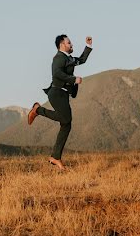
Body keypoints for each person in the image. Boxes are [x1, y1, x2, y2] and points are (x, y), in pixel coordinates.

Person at [26, 34, 93, 170]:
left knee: (66, 124)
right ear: (62, 45)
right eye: (69, 43)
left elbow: (82, 60)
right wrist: (73, 79)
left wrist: (88, 46)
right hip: (56, 93)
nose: (72, 45)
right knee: (66, 118)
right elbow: (56, 73)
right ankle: (37, 110)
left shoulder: (69, 58)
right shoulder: (58, 58)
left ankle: (55, 157)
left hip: (63, 94)